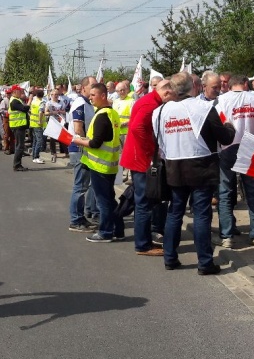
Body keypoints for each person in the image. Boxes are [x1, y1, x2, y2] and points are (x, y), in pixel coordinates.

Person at [154, 73, 235, 273]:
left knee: (175, 213)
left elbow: (160, 141)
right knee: (201, 215)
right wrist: (229, 126)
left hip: (174, 166)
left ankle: (170, 258)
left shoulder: (160, 111)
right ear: (194, 87)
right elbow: (225, 138)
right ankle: (205, 263)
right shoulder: (205, 108)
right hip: (201, 166)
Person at [121, 78, 174, 256]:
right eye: (172, 96)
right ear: (166, 92)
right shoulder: (150, 104)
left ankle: (144, 240)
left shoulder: (150, 101)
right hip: (141, 158)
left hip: (138, 157)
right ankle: (143, 245)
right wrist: (152, 150)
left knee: (143, 202)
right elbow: (137, 128)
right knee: (143, 203)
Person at [214, 75, 254, 248]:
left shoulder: (221, 100)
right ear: (245, 84)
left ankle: (227, 236)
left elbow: (219, 124)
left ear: (229, 85)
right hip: (251, 146)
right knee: (252, 191)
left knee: (226, 192)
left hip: (229, 146)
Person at [72, 83, 123, 243]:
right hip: (109, 165)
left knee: (103, 201)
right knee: (110, 199)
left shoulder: (102, 116)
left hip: (100, 166)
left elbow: (96, 143)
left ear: (103, 96)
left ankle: (106, 232)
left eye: (93, 95)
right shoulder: (112, 113)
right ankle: (117, 229)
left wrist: (78, 141)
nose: (90, 97)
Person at [68, 76, 97, 232]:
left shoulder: (87, 103)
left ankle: (81, 218)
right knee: (80, 186)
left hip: (84, 148)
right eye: (92, 85)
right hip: (79, 148)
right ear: (84, 87)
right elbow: (78, 129)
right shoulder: (80, 103)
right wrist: (89, 143)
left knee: (83, 185)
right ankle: (75, 220)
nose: (94, 88)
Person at [8, 85, 29, 170]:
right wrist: (29, 101)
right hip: (18, 125)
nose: (21, 92)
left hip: (19, 125)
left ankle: (17, 164)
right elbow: (24, 109)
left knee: (19, 145)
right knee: (19, 146)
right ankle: (17, 165)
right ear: (14, 92)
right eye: (19, 91)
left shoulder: (17, 100)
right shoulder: (14, 101)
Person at [44, 89, 65, 163]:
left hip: (60, 121)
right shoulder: (49, 103)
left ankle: (64, 151)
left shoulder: (61, 102)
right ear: (51, 95)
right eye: (54, 94)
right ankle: (53, 152)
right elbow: (45, 112)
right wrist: (52, 112)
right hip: (53, 121)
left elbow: (64, 111)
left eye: (57, 94)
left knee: (61, 136)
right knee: (52, 137)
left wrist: (60, 112)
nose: (56, 96)